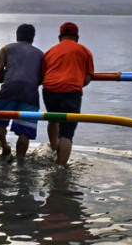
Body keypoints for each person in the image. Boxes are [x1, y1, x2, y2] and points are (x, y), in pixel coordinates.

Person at [41, 22, 94, 167]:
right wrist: (74, 83)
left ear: (60, 37)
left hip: (49, 90)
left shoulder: (50, 51)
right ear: (77, 37)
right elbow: (88, 78)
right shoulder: (84, 51)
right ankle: (60, 167)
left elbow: (43, 75)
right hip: (70, 92)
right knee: (66, 132)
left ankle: (53, 149)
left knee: (52, 119)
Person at [0, 23, 44, 158]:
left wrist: (2, 76)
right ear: (32, 37)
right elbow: (42, 77)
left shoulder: (6, 49)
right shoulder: (40, 54)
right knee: (25, 130)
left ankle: (5, 146)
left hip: (10, 88)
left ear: (17, 36)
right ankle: (20, 159)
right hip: (30, 93)